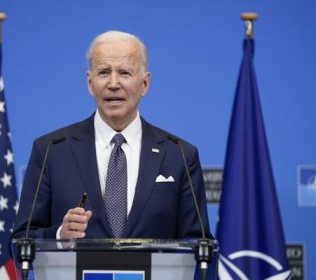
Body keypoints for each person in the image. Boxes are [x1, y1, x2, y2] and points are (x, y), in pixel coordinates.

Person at [11, 31, 211, 242]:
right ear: (90, 83)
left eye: (125, 73)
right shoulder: (51, 151)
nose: (113, 83)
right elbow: (21, 240)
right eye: (104, 72)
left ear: (145, 84)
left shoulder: (179, 154)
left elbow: (199, 245)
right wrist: (60, 234)